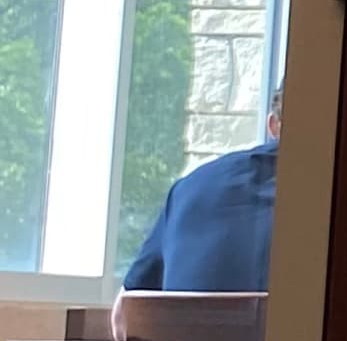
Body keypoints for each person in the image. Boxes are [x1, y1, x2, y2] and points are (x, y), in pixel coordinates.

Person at [120, 89, 282, 295]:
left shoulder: (188, 190)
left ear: (273, 126)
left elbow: (127, 310)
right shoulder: (328, 211)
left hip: (179, 328)